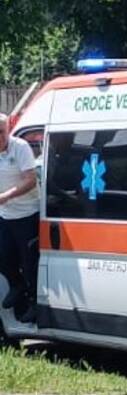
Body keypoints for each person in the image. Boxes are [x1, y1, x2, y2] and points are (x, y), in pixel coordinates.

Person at [0, 113, 40, 323]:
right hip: (5, 215)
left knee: (29, 261)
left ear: (8, 129)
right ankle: (17, 285)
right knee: (3, 257)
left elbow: (31, 180)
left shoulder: (21, 147)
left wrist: (7, 196)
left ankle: (34, 303)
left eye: (1, 131)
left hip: (27, 215)